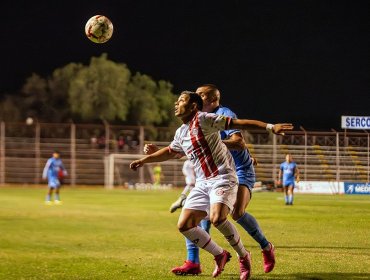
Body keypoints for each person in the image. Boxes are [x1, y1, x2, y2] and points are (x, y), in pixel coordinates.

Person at [130, 91, 293, 279]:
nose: (176, 103)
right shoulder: (181, 132)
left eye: (181, 100)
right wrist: (144, 160)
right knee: (185, 225)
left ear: (194, 106)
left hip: (224, 176)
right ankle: (219, 254)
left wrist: (270, 127)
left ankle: (244, 255)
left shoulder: (207, 118)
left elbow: (240, 127)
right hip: (202, 182)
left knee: (219, 218)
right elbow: (170, 151)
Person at [170, 84, 278, 275]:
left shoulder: (223, 113)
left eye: (201, 95)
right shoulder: (193, 121)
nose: (197, 97)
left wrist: (210, 143)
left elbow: (239, 142)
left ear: (213, 100)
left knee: (236, 213)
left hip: (239, 170)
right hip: (212, 173)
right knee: (197, 215)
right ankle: (193, 262)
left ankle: (266, 247)